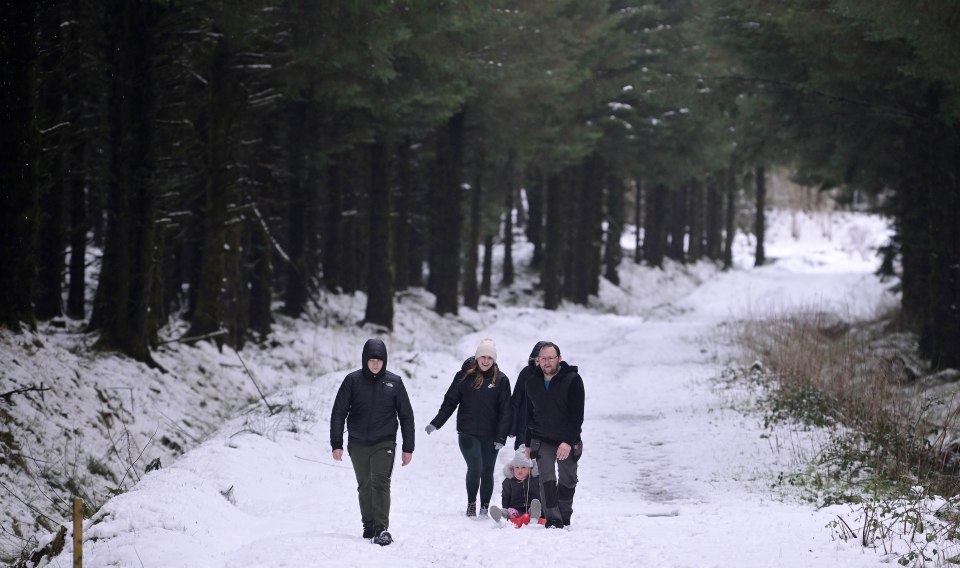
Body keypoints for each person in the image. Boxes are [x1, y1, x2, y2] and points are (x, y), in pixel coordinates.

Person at [330, 338, 415, 546]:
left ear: (385, 361)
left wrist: (408, 447)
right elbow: (339, 412)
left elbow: (406, 416)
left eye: (379, 360)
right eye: (371, 360)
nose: (375, 364)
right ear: (364, 361)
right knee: (365, 485)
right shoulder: (352, 381)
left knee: (380, 482)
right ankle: (368, 526)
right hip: (358, 442)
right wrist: (337, 443)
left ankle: (381, 529)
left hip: (384, 442)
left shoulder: (394, 382)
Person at [426, 338, 512, 519]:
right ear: (477, 357)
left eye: (490, 357)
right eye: (483, 357)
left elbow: (506, 411)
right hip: (468, 432)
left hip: (491, 435)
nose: (486, 361)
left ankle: (484, 507)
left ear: (494, 359)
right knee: (475, 467)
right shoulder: (463, 376)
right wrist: (437, 422)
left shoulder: (501, 380)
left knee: (487, 470)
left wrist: (501, 437)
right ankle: (471, 503)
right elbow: (450, 401)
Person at [524, 342, 584, 529]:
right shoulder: (532, 381)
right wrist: (527, 443)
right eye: (543, 358)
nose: (547, 362)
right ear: (538, 360)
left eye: (551, 358)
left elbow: (577, 415)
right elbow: (528, 414)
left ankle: (564, 514)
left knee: (568, 479)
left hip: (568, 438)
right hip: (542, 438)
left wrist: (567, 442)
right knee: (546, 478)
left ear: (559, 358)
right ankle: (553, 518)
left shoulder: (573, 379)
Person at [490, 447, 542, 527]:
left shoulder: (536, 480)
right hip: (516, 509)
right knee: (510, 512)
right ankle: (502, 515)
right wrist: (506, 508)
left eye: (523, 467)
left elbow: (544, 494)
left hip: (532, 507)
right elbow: (506, 496)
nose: (519, 470)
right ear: (512, 468)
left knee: (535, 507)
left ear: (530, 468)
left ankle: (534, 517)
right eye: (517, 467)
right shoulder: (509, 481)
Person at [510, 341, 548, 450]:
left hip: (546, 429)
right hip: (524, 427)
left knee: (543, 463)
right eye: (537, 360)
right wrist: (513, 428)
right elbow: (516, 401)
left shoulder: (554, 376)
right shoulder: (525, 373)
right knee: (522, 461)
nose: (540, 363)